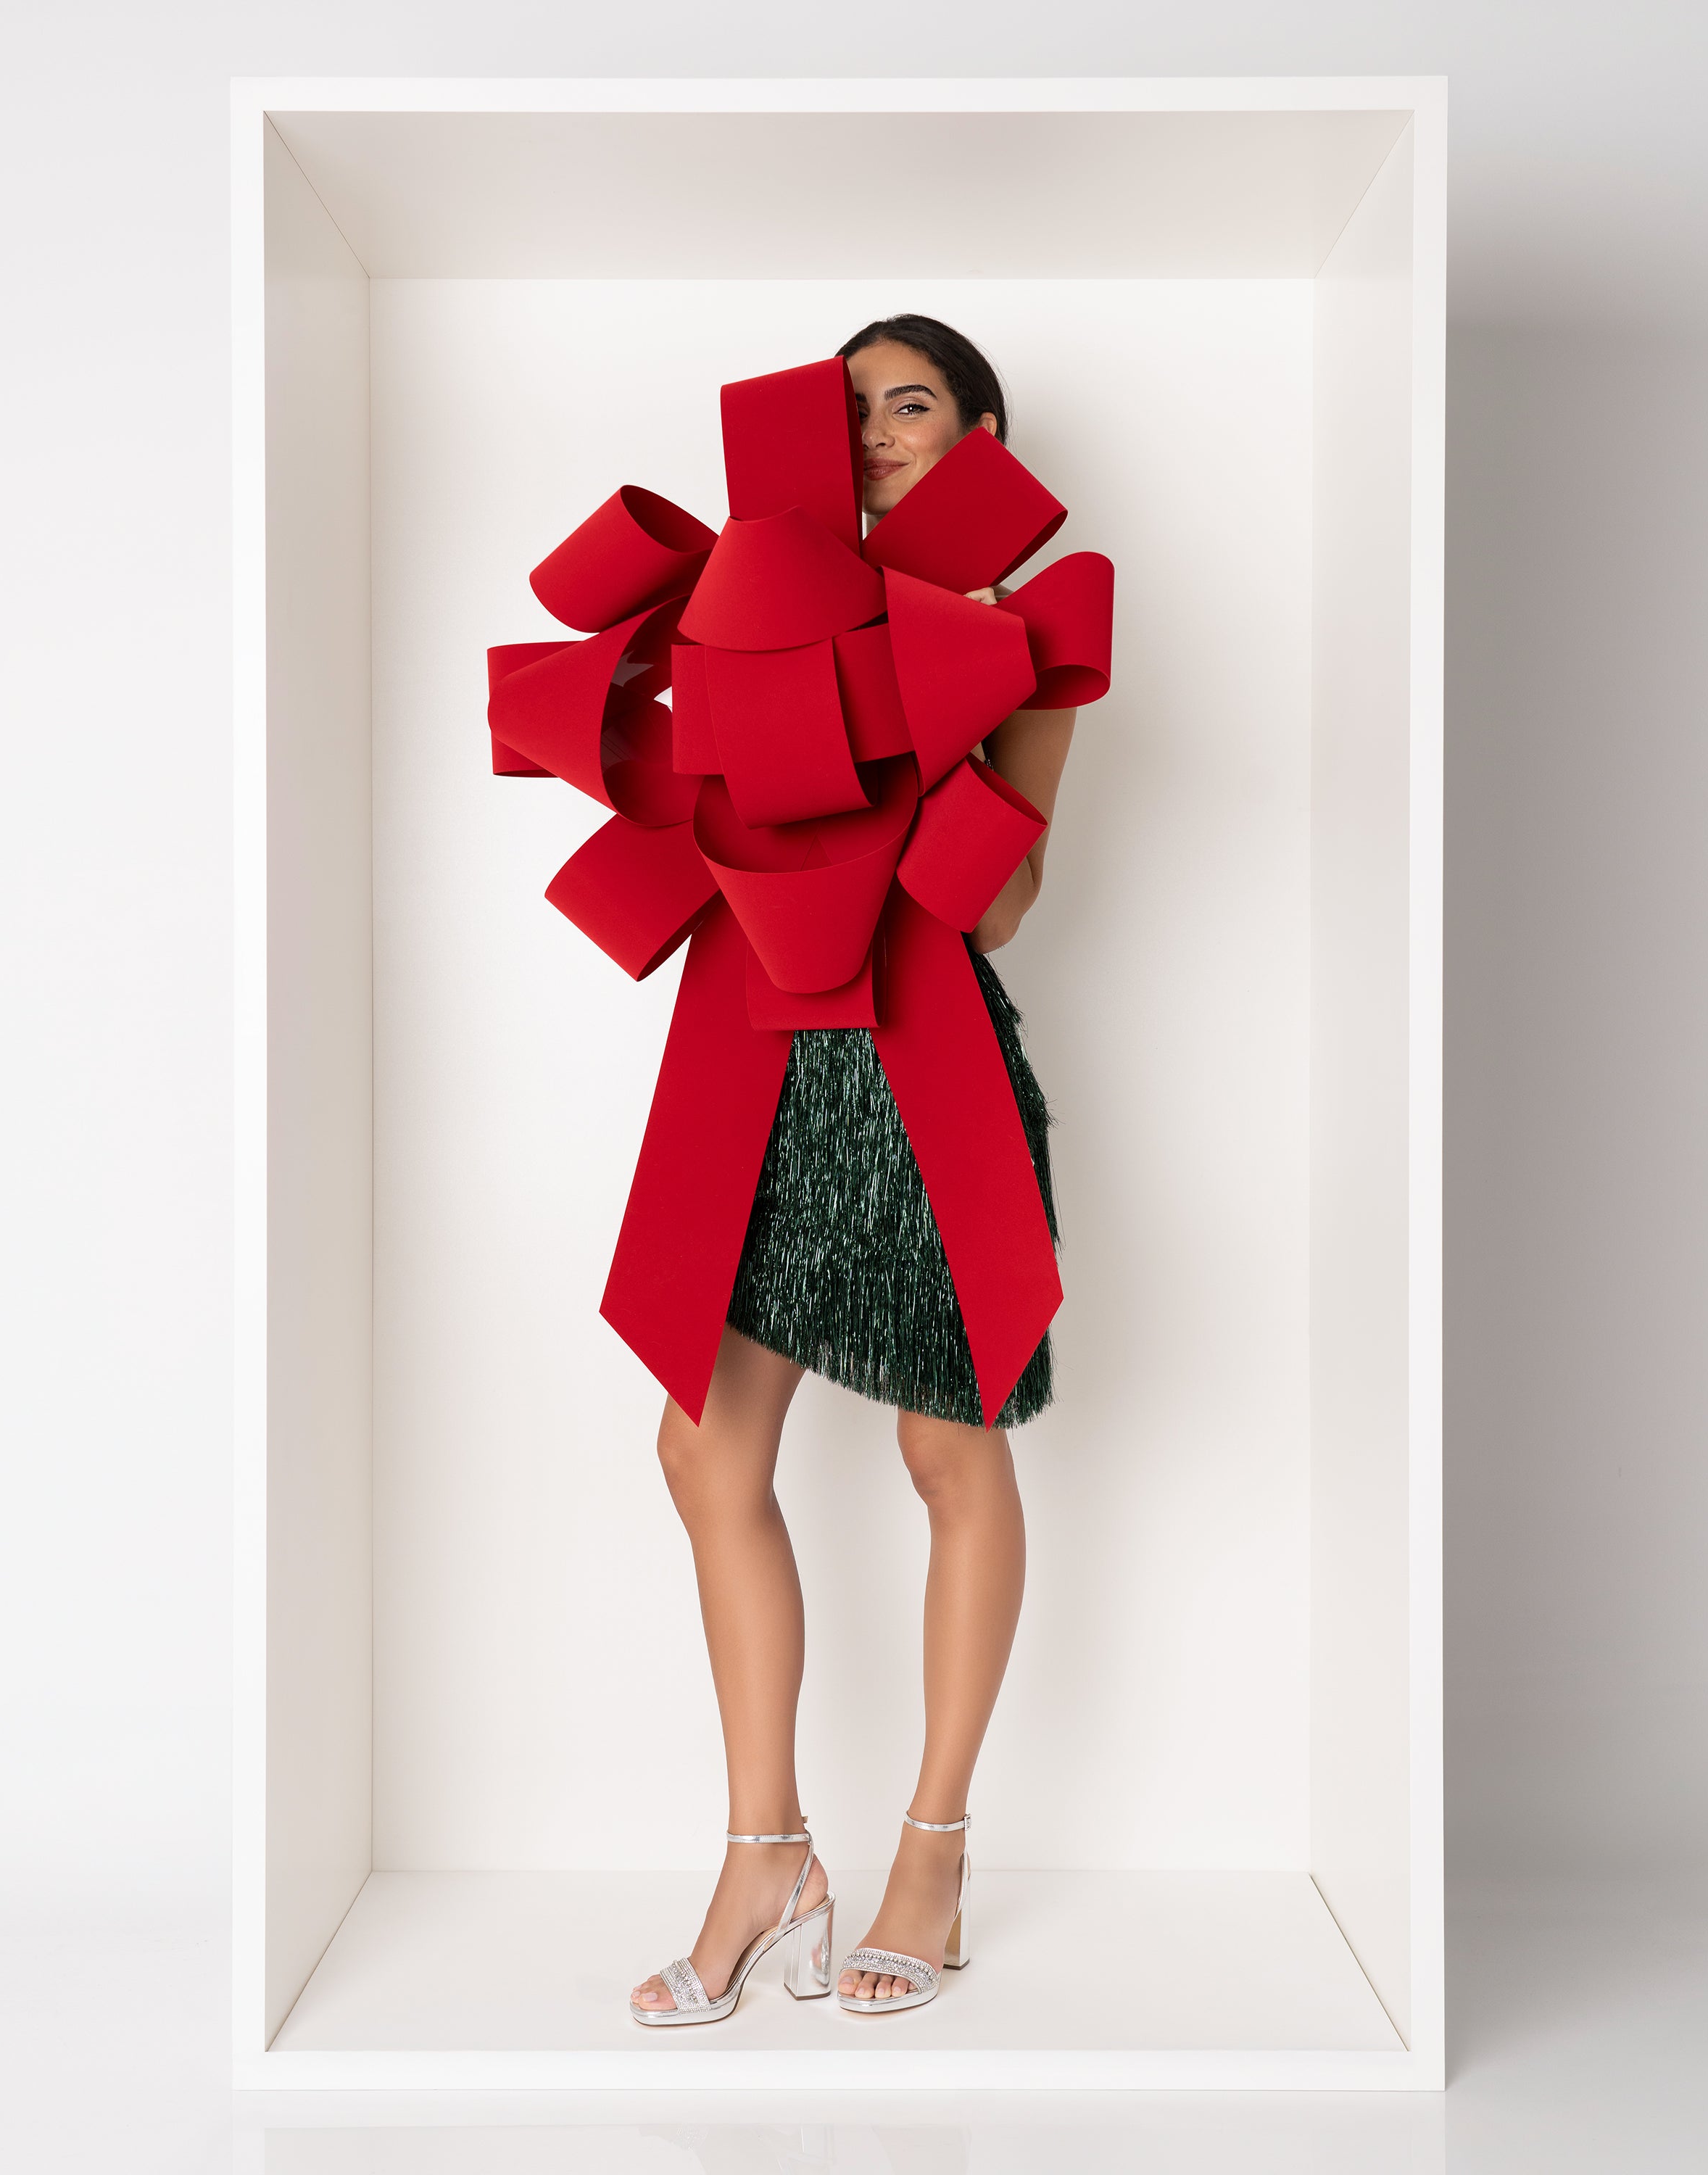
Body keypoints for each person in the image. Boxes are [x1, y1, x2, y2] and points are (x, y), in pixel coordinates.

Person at [629, 316, 1077, 2023]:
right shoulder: (740, 603)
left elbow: (1003, 908)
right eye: (855, 409)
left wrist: (919, 731)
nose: (879, 431)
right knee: (701, 1445)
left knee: (947, 1451)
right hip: (762, 1058)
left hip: (924, 1064)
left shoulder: (1018, 634)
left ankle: (932, 1858)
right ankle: (768, 1856)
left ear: (981, 436)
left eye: (914, 403)